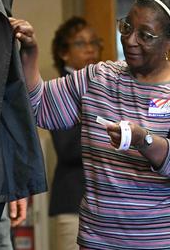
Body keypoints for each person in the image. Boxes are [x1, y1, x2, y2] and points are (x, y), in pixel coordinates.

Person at [10, 0, 170, 249]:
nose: (129, 40)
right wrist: (29, 52)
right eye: (127, 27)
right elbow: (39, 108)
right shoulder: (98, 78)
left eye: (145, 35)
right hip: (102, 240)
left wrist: (144, 140)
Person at [48, 17, 101, 250]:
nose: (90, 49)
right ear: (64, 53)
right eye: (80, 43)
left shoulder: (101, 84)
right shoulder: (60, 88)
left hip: (109, 206)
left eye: (94, 43)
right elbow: (68, 149)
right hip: (74, 203)